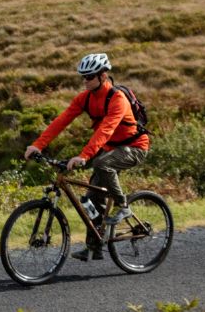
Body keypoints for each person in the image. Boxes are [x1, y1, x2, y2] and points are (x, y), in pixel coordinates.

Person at [23, 52, 150, 261]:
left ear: (103, 76)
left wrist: (84, 155)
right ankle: (95, 247)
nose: (85, 81)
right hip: (110, 149)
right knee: (92, 197)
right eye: (83, 77)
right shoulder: (85, 98)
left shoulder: (118, 98)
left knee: (101, 163)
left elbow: (106, 130)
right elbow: (61, 121)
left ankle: (123, 207)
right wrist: (37, 145)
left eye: (89, 77)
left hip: (135, 147)